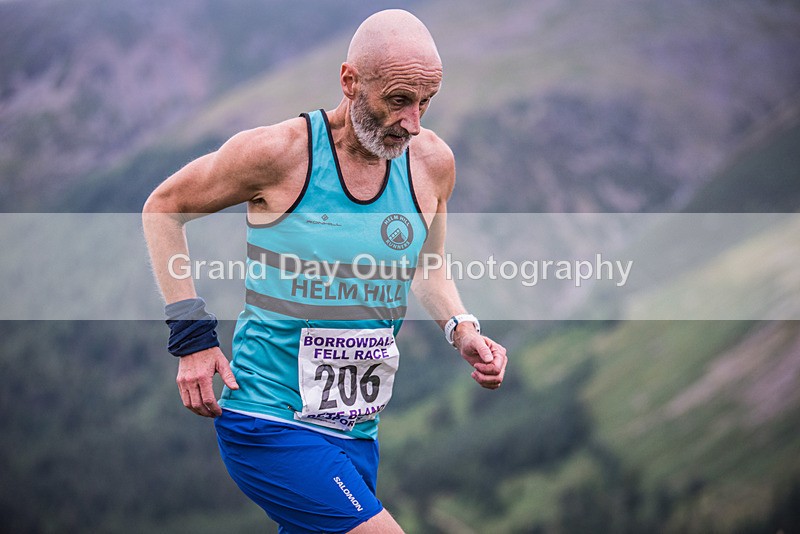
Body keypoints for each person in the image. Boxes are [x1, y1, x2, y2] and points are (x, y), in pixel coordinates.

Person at [142, 9, 508, 533]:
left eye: (425, 101)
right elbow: (164, 206)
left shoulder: (431, 163)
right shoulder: (280, 153)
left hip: (357, 432)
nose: (413, 122)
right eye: (398, 100)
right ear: (350, 81)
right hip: (269, 420)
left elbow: (428, 264)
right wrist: (191, 335)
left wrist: (461, 328)